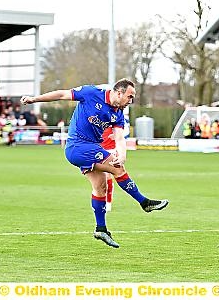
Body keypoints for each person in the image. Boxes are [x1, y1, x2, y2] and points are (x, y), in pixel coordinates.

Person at [21, 79, 168, 248]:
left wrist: (123, 154)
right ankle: (145, 203)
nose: (131, 101)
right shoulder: (91, 93)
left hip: (90, 149)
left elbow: (119, 138)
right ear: (119, 93)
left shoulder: (118, 114)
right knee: (117, 169)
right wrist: (34, 99)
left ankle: (101, 229)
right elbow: (62, 94)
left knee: (101, 186)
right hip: (77, 146)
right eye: (130, 97)